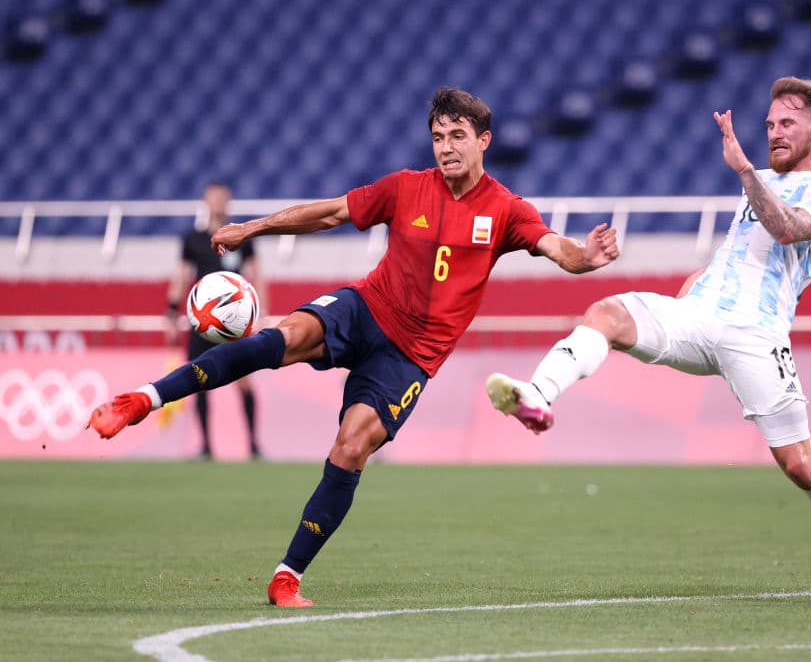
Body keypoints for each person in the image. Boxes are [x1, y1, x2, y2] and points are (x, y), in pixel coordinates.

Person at [88, 87, 620, 607]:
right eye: (438, 136)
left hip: (411, 356)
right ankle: (142, 400)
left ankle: (286, 577)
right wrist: (253, 228)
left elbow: (559, 249)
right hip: (366, 308)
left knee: (351, 446)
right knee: (282, 338)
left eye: (458, 135)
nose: (446, 146)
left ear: (484, 140)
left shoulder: (505, 209)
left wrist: (587, 256)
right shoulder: (406, 187)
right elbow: (329, 213)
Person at [486, 77, 811, 608]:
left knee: (801, 465)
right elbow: (739, 252)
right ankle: (538, 397)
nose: (775, 134)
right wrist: (693, 289)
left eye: (787, 124)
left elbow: (784, 230)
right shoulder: (756, 178)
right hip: (699, 315)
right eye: (769, 125)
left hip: (757, 336)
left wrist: (742, 171)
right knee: (608, 313)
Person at [166, 181, 266, 460]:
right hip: (202, 322)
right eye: (214, 197)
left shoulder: (240, 236)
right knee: (198, 380)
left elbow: (257, 273)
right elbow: (182, 274)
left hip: (234, 322)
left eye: (223, 197)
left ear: (229, 201)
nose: (218, 201)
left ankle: (254, 445)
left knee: (243, 381)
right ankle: (206, 446)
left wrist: (260, 312)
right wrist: (172, 310)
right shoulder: (192, 239)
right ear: (206, 201)